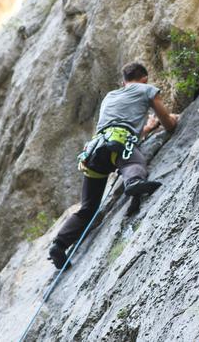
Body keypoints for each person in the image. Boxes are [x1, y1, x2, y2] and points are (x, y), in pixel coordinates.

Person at [48, 62, 179, 269]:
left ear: (123, 81)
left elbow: (117, 124)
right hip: (120, 145)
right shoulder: (147, 89)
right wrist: (169, 121)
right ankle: (134, 182)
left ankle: (59, 244)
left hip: (95, 150)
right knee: (134, 162)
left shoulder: (110, 96)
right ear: (144, 78)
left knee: (88, 207)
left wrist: (146, 129)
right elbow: (168, 122)